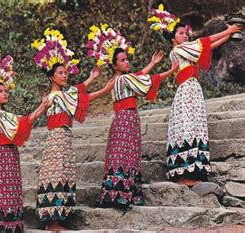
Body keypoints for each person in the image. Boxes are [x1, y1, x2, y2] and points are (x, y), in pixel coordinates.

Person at [147, 4, 243, 186]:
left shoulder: (187, 49)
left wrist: (229, 35)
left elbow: (209, 45)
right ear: (173, 38)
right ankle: (184, 173)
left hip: (193, 89)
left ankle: (194, 171)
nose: (185, 35)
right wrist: (228, 30)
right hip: (186, 91)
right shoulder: (178, 50)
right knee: (187, 127)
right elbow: (203, 43)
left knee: (194, 126)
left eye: (185, 33)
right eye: (181, 33)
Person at [86, 23, 178, 208]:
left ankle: (115, 194)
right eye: (122, 60)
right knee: (126, 155)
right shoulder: (124, 79)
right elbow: (146, 80)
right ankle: (124, 195)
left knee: (120, 155)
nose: (127, 62)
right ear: (114, 65)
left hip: (121, 120)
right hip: (127, 119)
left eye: (127, 59)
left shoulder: (117, 79)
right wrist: (170, 70)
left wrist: (152, 63)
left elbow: (138, 76)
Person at [32, 28, 113, 230]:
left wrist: (92, 79)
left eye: (66, 72)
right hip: (57, 138)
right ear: (51, 77)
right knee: (56, 174)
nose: (65, 75)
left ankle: (58, 219)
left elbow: (76, 93)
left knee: (63, 173)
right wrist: (103, 89)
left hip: (64, 137)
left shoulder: (63, 94)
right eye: (60, 73)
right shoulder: (55, 97)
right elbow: (78, 96)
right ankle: (52, 223)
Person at [0, 48, 51, 233]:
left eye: (5, 91)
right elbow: (22, 122)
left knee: (4, 191)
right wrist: (42, 107)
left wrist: (41, 108)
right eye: (0, 91)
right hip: (2, 156)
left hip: (7, 155)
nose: (5, 94)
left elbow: (21, 121)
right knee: (2, 192)